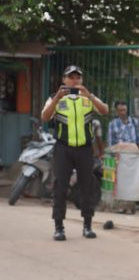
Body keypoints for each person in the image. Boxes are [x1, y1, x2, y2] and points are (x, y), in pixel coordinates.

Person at [40, 65, 109, 241]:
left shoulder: (87, 98)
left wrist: (90, 95)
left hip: (85, 148)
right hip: (63, 148)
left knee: (87, 186)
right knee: (60, 187)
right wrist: (57, 97)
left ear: (81, 80)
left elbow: (105, 111)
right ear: (64, 80)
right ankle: (59, 227)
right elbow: (45, 117)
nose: (74, 81)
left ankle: (87, 225)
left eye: (77, 77)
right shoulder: (55, 98)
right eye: (71, 77)